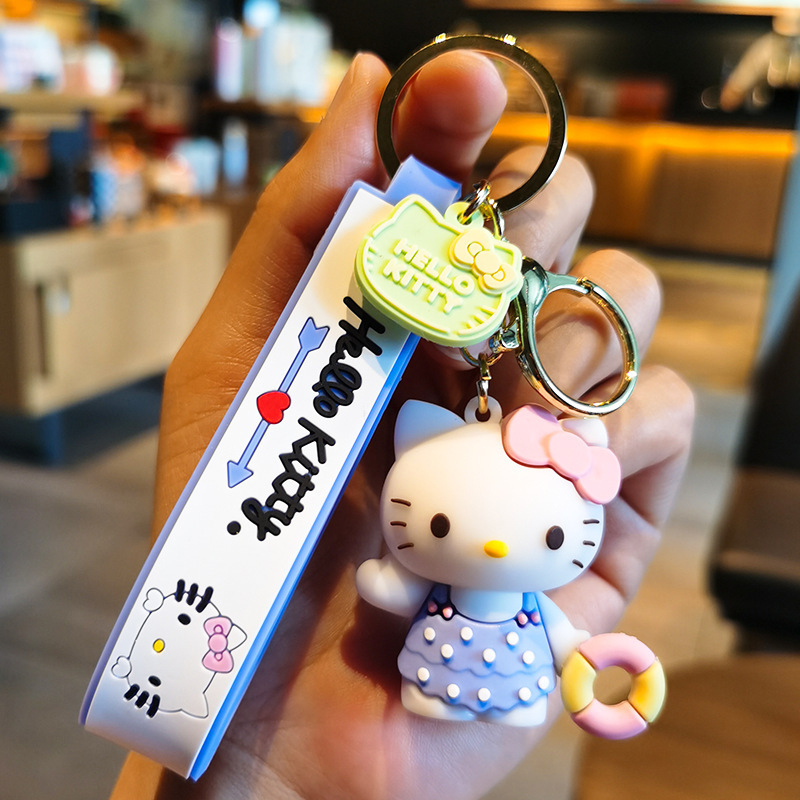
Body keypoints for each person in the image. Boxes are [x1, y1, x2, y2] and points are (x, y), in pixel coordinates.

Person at [109, 50, 694, 800]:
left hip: (504, 686)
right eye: (440, 525)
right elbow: (393, 587)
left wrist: (579, 652)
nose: (491, 546)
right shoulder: (424, 477)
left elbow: (535, 627)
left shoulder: (519, 590)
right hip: (393, 672)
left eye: (555, 538)